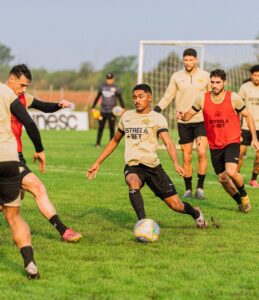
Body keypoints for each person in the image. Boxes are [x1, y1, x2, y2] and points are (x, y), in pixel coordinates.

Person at [87, 84, 207, 229]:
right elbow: (115, 140)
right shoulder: (126, 117)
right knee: (132, 182)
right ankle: (143, 223)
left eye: (140, 97)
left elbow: (168, 143)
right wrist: (97, 162)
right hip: (133, 166)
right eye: (134, 97)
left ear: (149, 98)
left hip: (153, 167)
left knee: (176, 205)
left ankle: (196, 213)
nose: (137, 100)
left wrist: (175, 163)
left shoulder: (157, 118)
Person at [7, 64, 82, 242]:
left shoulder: (23, 98)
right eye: (22, 85)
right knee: (37, 187)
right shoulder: (3, 96)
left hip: (16, 154)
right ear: (11, 80)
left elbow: (43, 106)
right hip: (6, 155)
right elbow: (30, 124)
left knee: (14, 198)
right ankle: (64, 231)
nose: (24, 90)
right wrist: (40, 150)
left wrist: (58, 105)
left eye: (27, 86)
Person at [177, 69, 259, 213]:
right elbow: (189, 115)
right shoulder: (202, 98)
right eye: (212, 82)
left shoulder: (233, 97)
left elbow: (248, 116)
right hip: (215, 145)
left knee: (231, 171)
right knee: (222, 178)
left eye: (218, 82)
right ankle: (240, 202)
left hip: (232, 141)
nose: (215, 85)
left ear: (224, 83)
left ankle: (244, 195)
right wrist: (183, 116)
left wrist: (254, 138)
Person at [0, 81, 45, 278]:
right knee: (13, 217)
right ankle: (30, 263)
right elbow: (28, 121)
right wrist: (39, 149)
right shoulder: (4, 90)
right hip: (9, 158)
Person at [154, 48, 210, 200]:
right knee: (186, 156)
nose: (188, 62)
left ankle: (200, 188)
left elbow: (212, 97)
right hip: (183, 121)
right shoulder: (177, 76)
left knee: (202, 152)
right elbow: (168, 96)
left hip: (201, 119)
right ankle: (188, 189)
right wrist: (156, 110)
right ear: (183, 60)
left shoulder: (205, 76)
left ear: (196, 60)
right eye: (185, 60)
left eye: (191, 60)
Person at [237, 65, 259, 187]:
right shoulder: (245, 87)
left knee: (258, 157)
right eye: (255, 75)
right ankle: (237, 177)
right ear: (251, 75)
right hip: (245, 126)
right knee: (240, 153)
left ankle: (253, 179)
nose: (257, 78)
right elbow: (238, 105)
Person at [92, 72, 125, 147]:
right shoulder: (102, 87)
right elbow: (97, 97)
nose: (109, 80)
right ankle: (97, 143)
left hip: (112, 111)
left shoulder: (116, 88)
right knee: (100, 128)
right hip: (103, 111)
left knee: (112, 129)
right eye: (108, 79)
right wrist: (93, 107)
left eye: (110, 79)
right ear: (106, 79)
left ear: (113, 79)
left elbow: (120, 98)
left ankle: (111, 144)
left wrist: (123, 107)